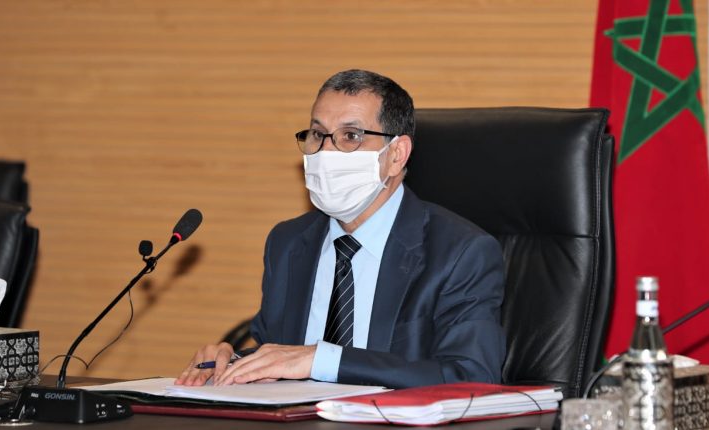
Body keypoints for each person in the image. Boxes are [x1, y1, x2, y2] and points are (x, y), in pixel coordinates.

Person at [176, 69, 505, 389]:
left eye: (350, 136)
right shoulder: (288, 242)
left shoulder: (460, 252)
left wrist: (324, 360)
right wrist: (234, 362)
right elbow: (284, 357)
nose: (326, 152)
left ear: (396, 155)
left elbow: (472, 376)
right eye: (317, 134)